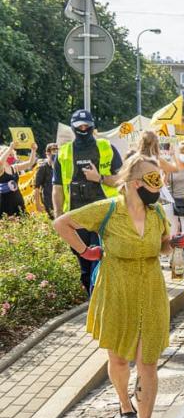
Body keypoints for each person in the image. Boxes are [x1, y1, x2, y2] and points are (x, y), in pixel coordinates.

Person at [53, 155, 184, 418]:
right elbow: (62, 223)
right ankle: (124, 402)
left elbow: (162, 247)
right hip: (116, 290)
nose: (158, 184)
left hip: (150, 290)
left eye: (159, 178)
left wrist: (171, 244)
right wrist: (85, 251)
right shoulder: (109, 209)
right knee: (119, 359)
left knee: (148, 362)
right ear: (135, 183)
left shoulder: (156, 214)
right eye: (153, 179)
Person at [53, 110, 123, 292]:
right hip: (76, 217)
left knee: (102, 262)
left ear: (92, 126)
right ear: (73, 128)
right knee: (85, 268)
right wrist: (58, 216)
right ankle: (91, 295)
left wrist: (98, 177)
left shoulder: (107, 147)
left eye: (86, 125)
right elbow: (57, 188)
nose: (83, 129)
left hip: (105, 214)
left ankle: (98, 302)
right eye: (79, 127)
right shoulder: (64, 152)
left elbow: (122, 180)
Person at [160, 141, 184, 267]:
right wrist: (165, 173)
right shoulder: (170, 167)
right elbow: (162, 184)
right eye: (183, 152)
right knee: (172, 232)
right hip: (171, 202)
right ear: (177, 152)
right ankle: (172, 257)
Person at [0, 143, 38, 217]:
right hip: (4, 202)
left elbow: (30, 163)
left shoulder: (14, 167)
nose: (12, 157)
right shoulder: (1, 169)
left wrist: (33, 150)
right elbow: (1, 162)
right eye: (10, 155)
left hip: (17, 200)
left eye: (12, 154)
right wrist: (10, 148)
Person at [35, 143, 59, 217]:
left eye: (57, 150)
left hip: (60, 199)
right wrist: (38, 204)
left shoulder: (60, 166)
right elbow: (36, 187)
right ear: (47, 153)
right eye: (53, 150)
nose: (56, 152)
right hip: (48, 200)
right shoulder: (43, 167)